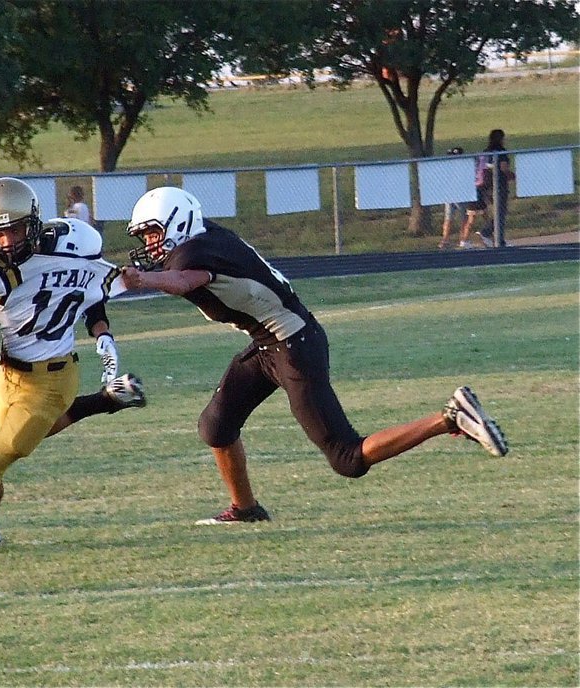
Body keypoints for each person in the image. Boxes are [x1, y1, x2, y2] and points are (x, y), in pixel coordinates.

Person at [120, 187, 508, 524]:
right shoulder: (202, 237)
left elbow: (186, 280)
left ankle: (449, 417)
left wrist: (144, 280)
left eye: (153, 233)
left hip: (293, 346)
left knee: (347, 457)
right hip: (268, 342)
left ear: (178, 223)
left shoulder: (194, 254)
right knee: (216, 427)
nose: (151, 245)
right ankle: (245, 509)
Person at [0, 177, 146, 554]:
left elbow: (91, 292)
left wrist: (103, 334)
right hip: (8, 375)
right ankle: (105, 401)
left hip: (53, 378)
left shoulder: (73, 246)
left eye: (14, 230)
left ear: (33, 222)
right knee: (7, 448)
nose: (7, 242)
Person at [476, 129, 515, 248]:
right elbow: (503, 168)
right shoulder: (501, 151)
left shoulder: (486, 151)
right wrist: (512, 176)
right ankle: (492, 236)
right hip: (499, 185)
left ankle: (494, 236)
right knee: (501, 212)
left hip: (486, 185)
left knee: (497, 211)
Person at [438, 147, 472, 250]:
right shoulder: (462, 167)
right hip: (459, 194)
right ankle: (462, 239)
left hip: (449, 195)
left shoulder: (447, 167)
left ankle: (445, 239)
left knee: (449, 218)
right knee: (463, 218)